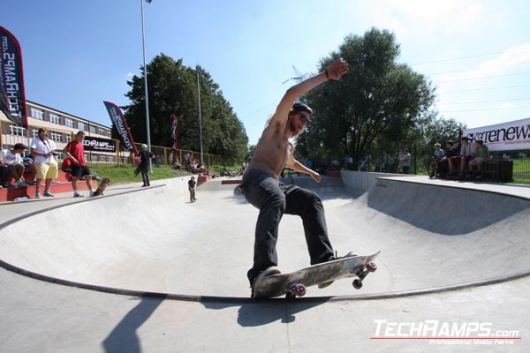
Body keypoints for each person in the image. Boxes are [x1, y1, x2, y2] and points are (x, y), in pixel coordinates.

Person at [239, 58, 349, 297]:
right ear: (290, 115)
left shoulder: (288, 147)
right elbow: (291, 93)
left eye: (307, 122)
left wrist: (310, 172)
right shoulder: (276, 128)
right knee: (275, 197)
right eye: (301, 118)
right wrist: (327, 76)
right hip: (255, 180)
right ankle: (262, 270)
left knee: (311, 201)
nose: (303, 124)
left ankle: (323, 261)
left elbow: (291, 163)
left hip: (273, 184)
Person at [63, 131, 94, 197]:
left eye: (83, 137)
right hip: (75, 164)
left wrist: (85, 158)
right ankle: (75, 193)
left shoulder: (81, 144)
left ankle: (91, 191)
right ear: (77, 136)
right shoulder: (71, 143)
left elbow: (82, 153)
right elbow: (65, 151)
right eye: (81, 136)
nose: (82, 138)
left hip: (83, 163)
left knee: (89, 176)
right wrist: (73, 159)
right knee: (75, 178)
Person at [31, 128, 59, 198]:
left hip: (51, 161)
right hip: (41, 161)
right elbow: (32, 151)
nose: (44, 134)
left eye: (45, 132)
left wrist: (53, 153)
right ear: (39, 133)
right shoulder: (36, 140)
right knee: (40, 177)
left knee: (50, 177)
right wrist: (43, 154)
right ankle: (37, 192)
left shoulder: (50, 141)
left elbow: (53, 150)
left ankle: (46, 191)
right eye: (42, 132)